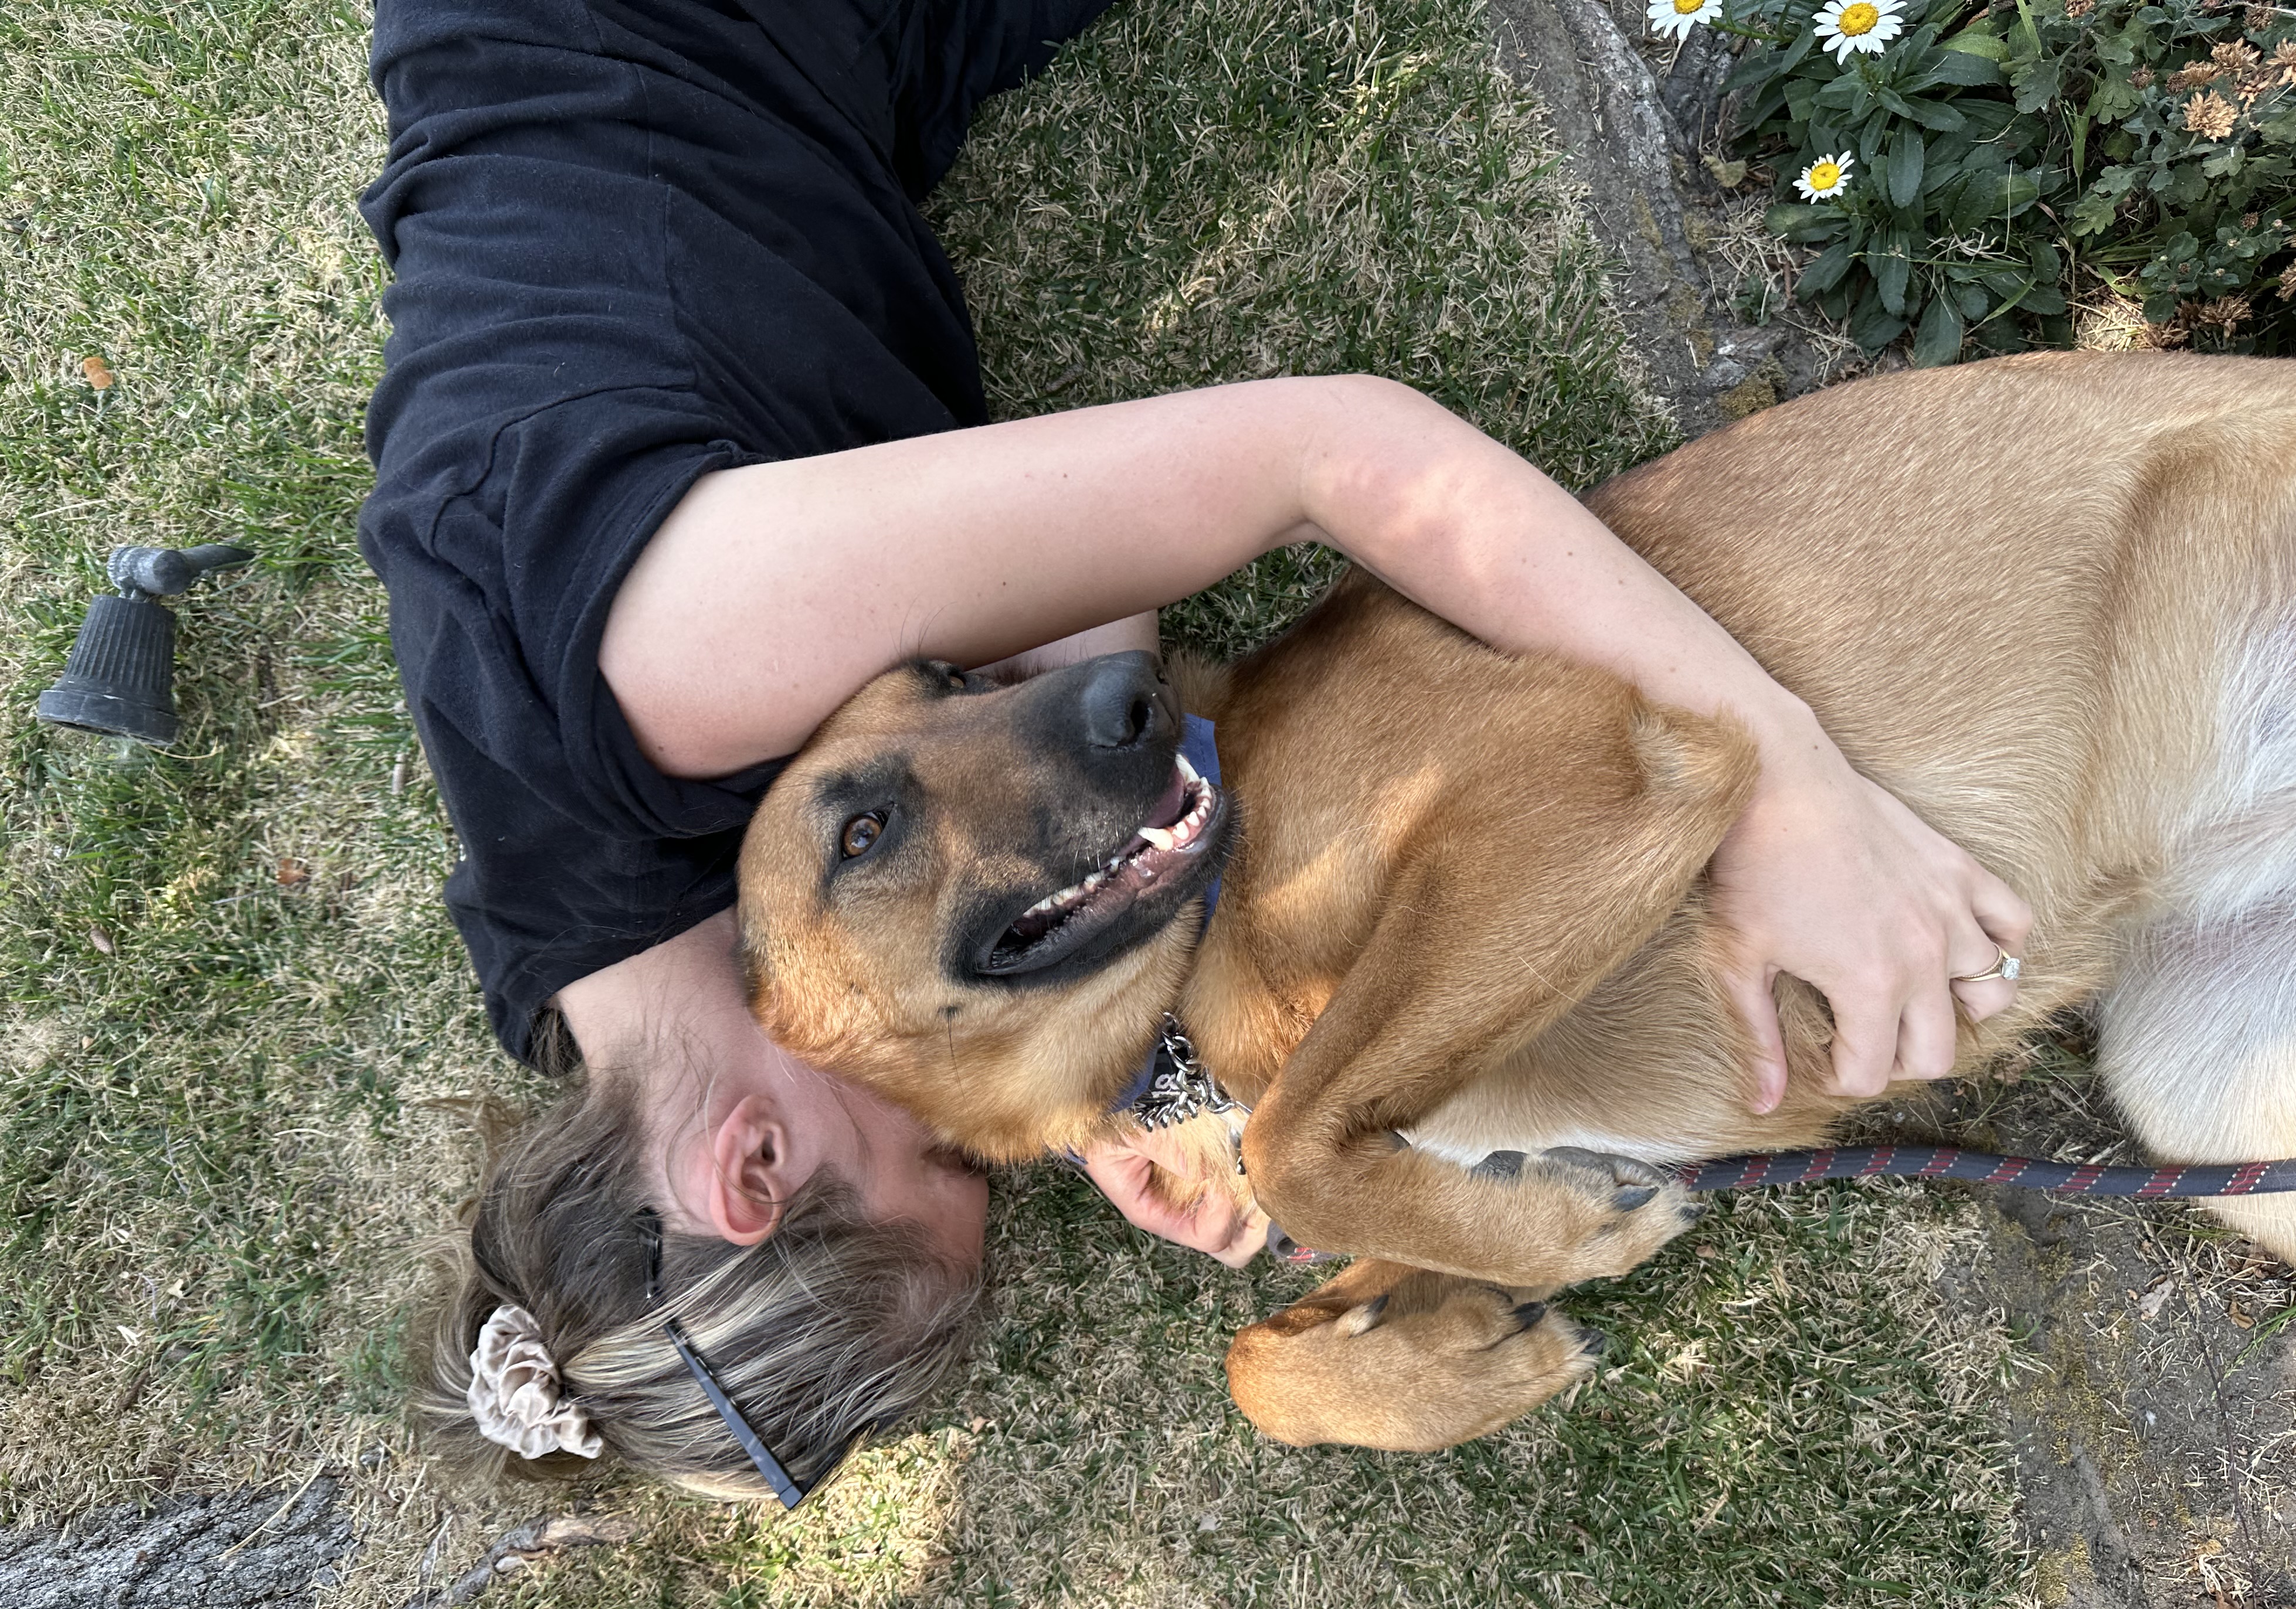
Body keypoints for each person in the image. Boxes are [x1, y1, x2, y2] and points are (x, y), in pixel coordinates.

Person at [365, 0, 2030, 1502]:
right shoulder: (587, 966)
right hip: (860, 81)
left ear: (747, 1164)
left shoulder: (685, 660)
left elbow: (1334, 449)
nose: (976, 1116)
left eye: (943, 1149)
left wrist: (1794, 789)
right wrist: (1085, 1092)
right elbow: (1063, 649)